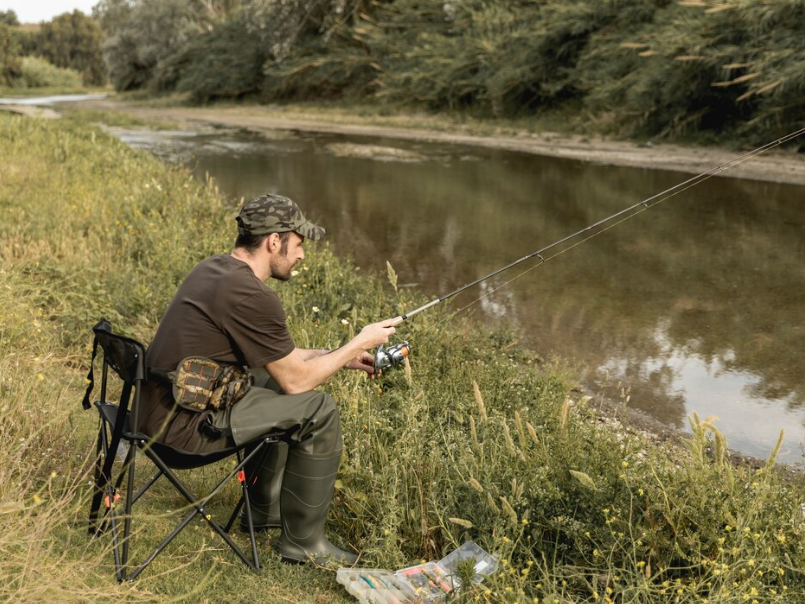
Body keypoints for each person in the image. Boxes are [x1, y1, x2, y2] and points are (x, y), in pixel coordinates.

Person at [140, 193, 401, 565]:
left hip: (154, 415)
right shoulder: (251, 294)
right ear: (273, 241)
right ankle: (304, 544)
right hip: (183, 432)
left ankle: (261, 513)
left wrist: (341, 355)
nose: (301, 255)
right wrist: (362, 339)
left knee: (272, 382)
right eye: (298, 244)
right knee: (317, 408)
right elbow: (298, 382)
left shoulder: (214, 269)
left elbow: (283, 365)